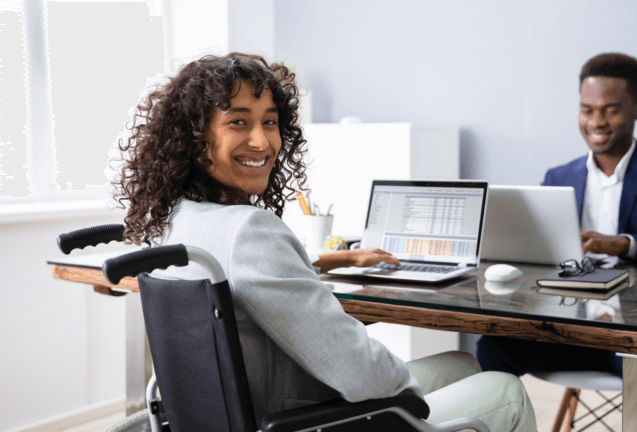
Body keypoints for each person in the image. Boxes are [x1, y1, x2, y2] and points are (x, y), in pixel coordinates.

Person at [112, 52, 536, 431]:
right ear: (195, 138)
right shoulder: (249, 231)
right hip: (305, 421)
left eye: (270, 122)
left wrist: (332, 262)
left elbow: (250, 282)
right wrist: (408, 401)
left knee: (462, 362)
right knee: (502, 389)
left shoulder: (178, 221)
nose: (262, 141)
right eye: (238, 121)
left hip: (232, 415)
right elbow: (359, 373)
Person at [477, 53, 637, 432]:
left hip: (636, 335)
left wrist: (624, 244)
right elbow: (536, 254)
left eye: (610, 110)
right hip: (565, 329)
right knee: (492, 345)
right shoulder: (558, 177)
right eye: (586, 110)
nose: (596, 122)